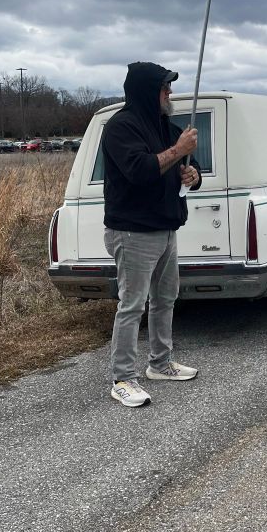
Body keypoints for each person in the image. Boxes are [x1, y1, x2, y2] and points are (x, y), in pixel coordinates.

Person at [102, 62, 201, 408]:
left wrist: (193, 175)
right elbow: (141, 171)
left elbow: (189, 166)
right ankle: (123, 378)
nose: (170, 94)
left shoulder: (165, 126)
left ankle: (160, 363)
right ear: (148, 91)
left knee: (165, 298)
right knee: (132, 304)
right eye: (165, 88)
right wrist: (177, 150)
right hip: (132, 232)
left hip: (166, 227)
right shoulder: (120, 128)